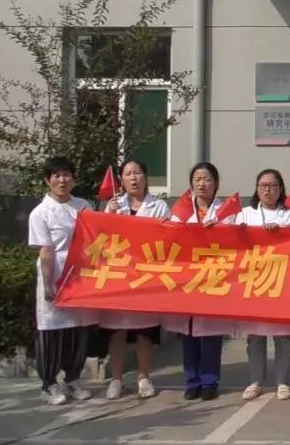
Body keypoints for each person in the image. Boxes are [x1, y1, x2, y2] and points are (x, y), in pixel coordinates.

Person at [161, 162, 237, 401]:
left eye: (207, 179)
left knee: (211, 332)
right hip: (187, 278)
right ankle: (192, 381)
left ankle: (210, 381)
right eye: (197, 179)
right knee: (189, 332)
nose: (202, 184)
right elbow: (168, 238)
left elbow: (238, 241)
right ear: (191, 184)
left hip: (215, 277)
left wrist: (221, 229)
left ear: (216, 184)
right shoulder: (180, 211)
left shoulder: (227, 211)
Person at [29, 157, 100, 405]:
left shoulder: (83, 206)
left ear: (74, 179)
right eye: (56, 176)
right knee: (52, 331)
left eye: (67, 175)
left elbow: (99, 236)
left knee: (77, 330)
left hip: (80, 276)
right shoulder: (40, 213)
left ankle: (73, 379)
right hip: (55, 274)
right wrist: (49, 285)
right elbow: (46, 252)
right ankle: (49, 384)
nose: (62, 180)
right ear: (48, 181)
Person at [100, 160, 171, 400]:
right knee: (117, 330)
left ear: (146, 177)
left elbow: (168, 238)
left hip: (146, 276)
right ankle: (116, 380)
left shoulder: (159, 206)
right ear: (121, 180)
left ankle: (143, 378)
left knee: (144, 331)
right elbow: (102, 239)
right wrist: (109, 215)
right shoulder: (113, 205)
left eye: (138, 173)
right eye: (128, 174)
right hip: (118, 276)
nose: (133, 178)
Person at [236, 169, 290, 402]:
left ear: (280, 188)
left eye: (272, 185)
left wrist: (280, 233)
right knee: (255, 336)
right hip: (253, 281)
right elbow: (233, 242)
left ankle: (283, 381)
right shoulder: (245, 214)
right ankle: (255, 381)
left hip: (281, 281)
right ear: (256, 189)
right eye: (263, 185)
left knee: (282, 336)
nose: (267, 190)